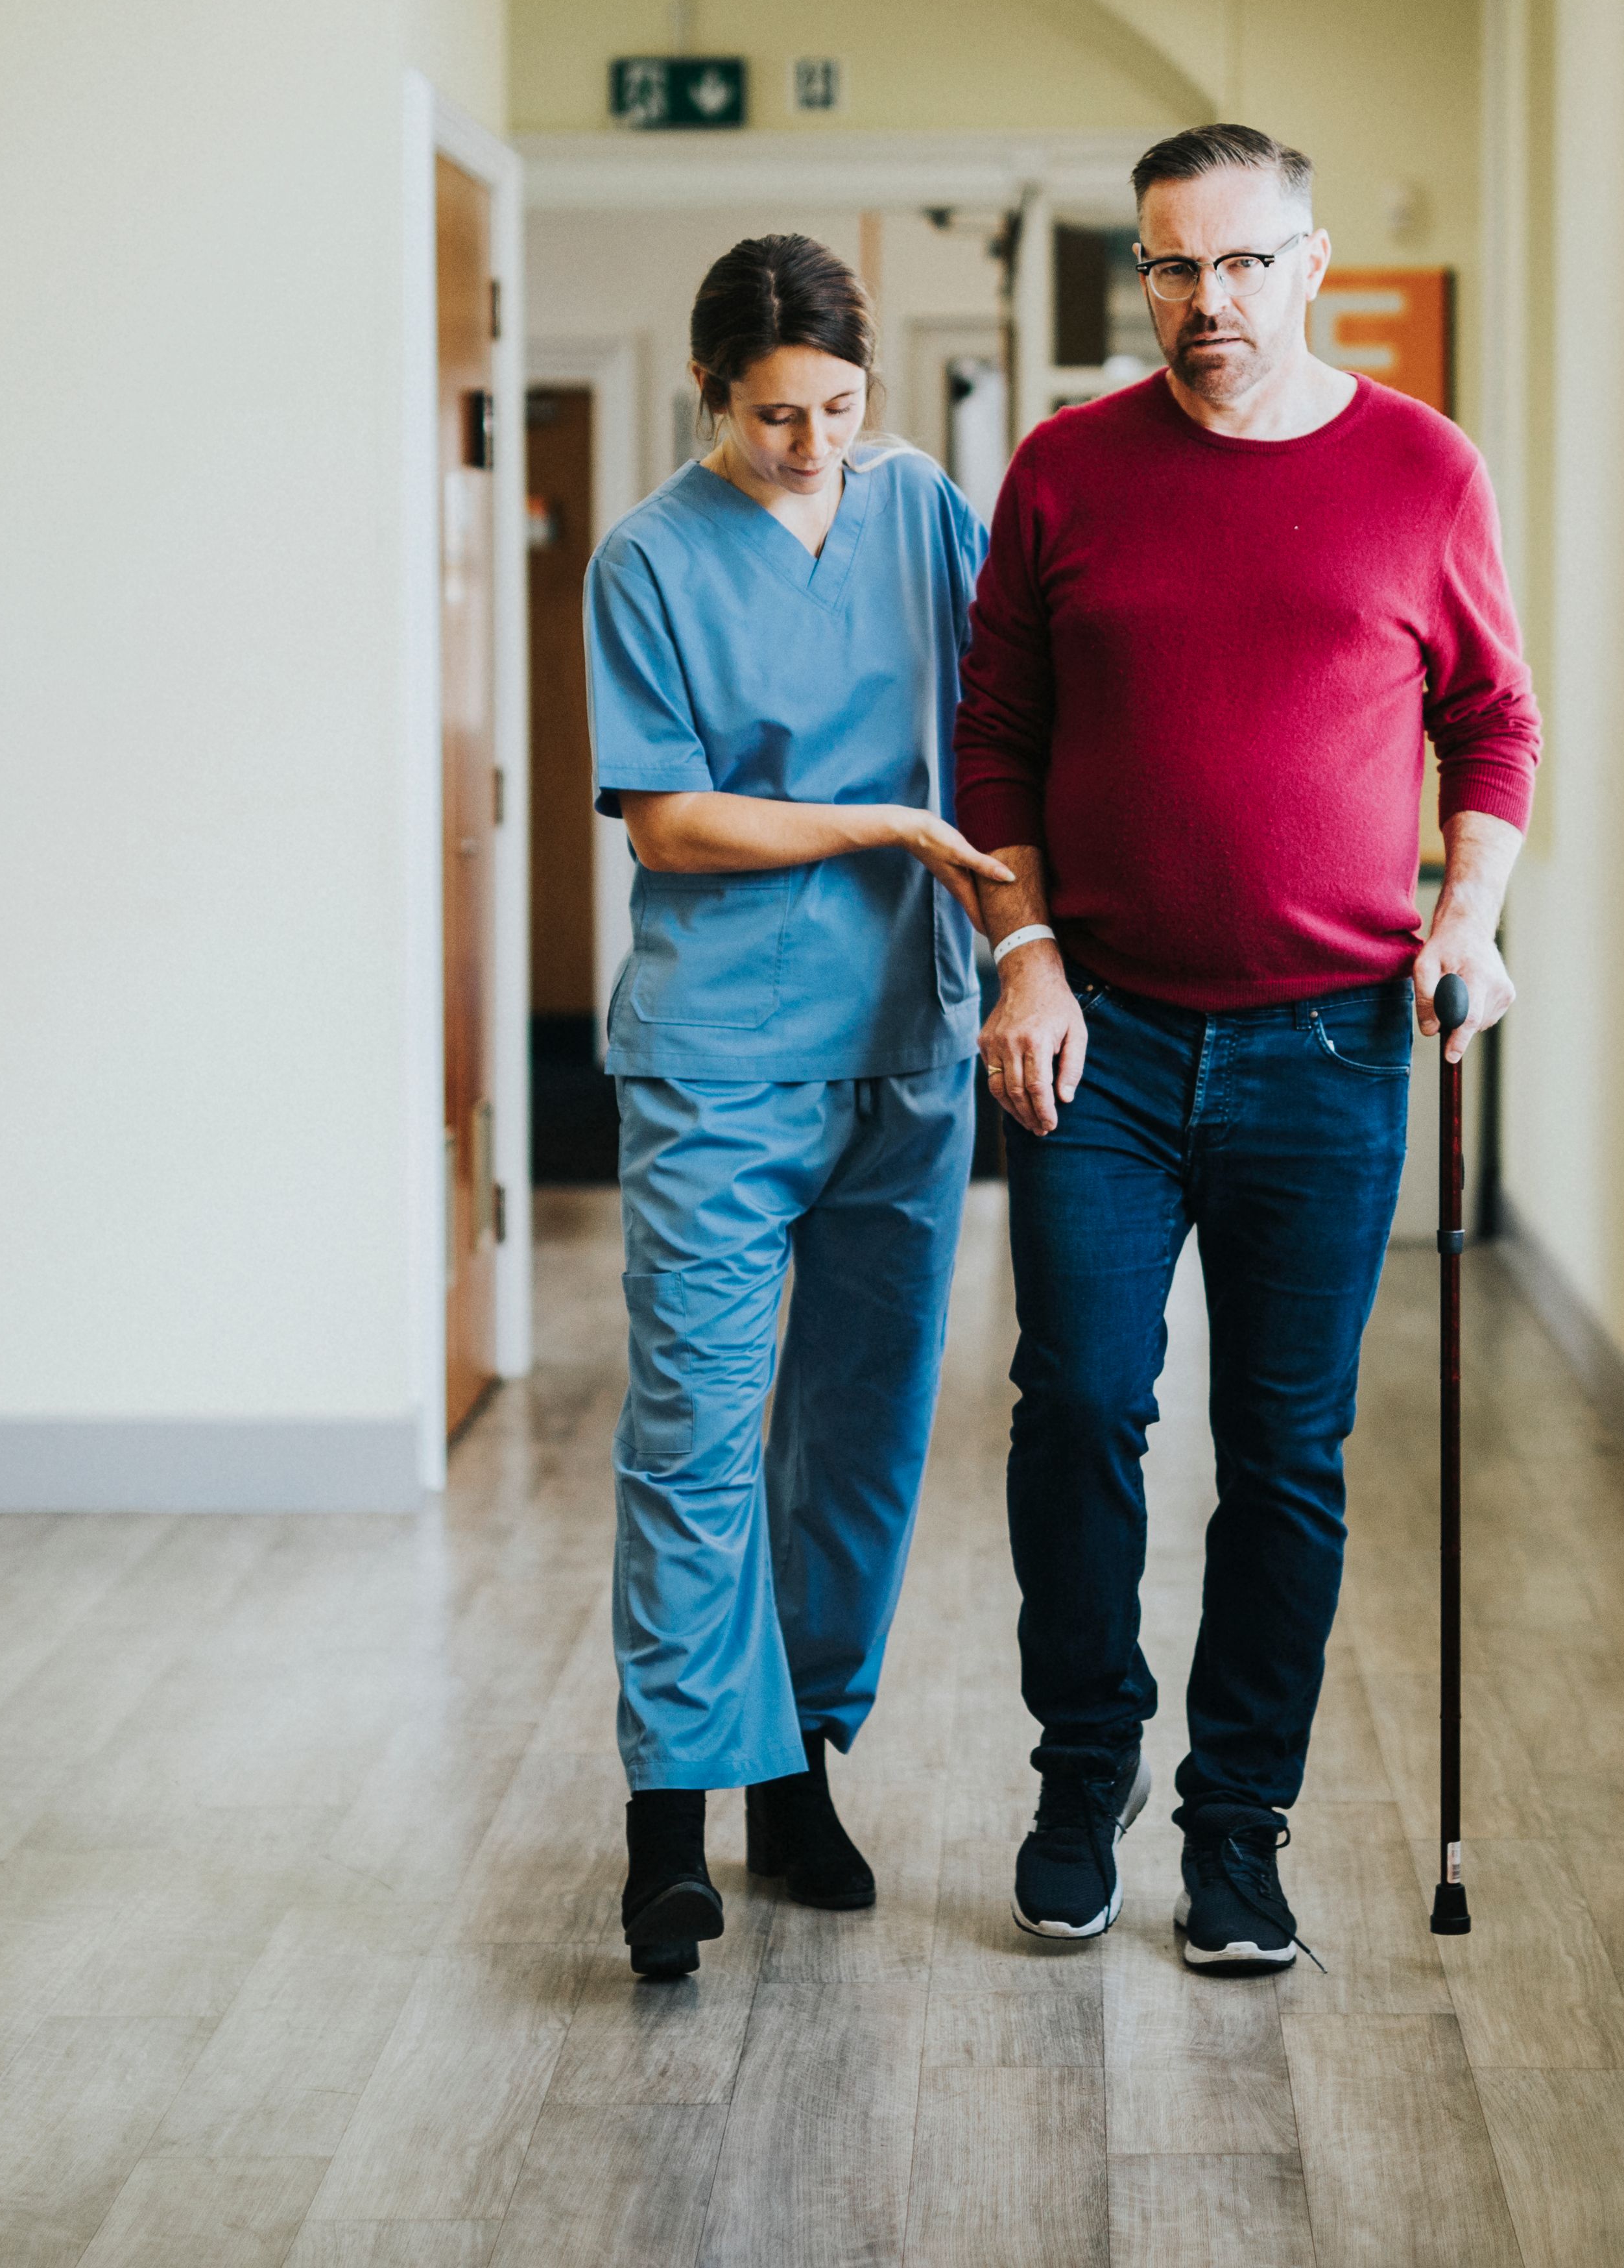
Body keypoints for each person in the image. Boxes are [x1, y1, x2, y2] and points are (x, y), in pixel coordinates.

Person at [955, 123, 1540, 1974]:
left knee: (1285, 1451)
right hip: (1103, 1041)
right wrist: (1025, 957)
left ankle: (1239, 1823)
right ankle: (1084, 1771)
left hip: (1330, 1048)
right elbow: (995, 745)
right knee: (1078, 1414)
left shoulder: (1420, 472)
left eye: (1238, 264)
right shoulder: (1065, 473)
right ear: (1143, 276)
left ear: (1312, 263)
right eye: (1169, 268)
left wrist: (1470, 917)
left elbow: (1494, 723)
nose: (1205, 304)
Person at [584, 232, 1005, 1983]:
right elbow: (670, 822)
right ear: (710, 397)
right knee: (697, 1431)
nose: (810, 443)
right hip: (719, 1059)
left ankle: (797, 1766)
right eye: (773, 416)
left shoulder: (930, 520)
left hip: (906, 1046)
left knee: (862, 1430)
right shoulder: (651, 560)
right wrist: (888, 830)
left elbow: (1003, 747)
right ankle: (669, 1823)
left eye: (838, 406)